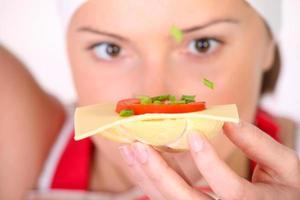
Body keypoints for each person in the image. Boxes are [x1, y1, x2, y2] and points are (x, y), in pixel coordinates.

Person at [1, 0, 299, 199]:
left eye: (202, 44)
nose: (154, 97)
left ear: (268, 46)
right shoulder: (27, 139)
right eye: (110, 49)